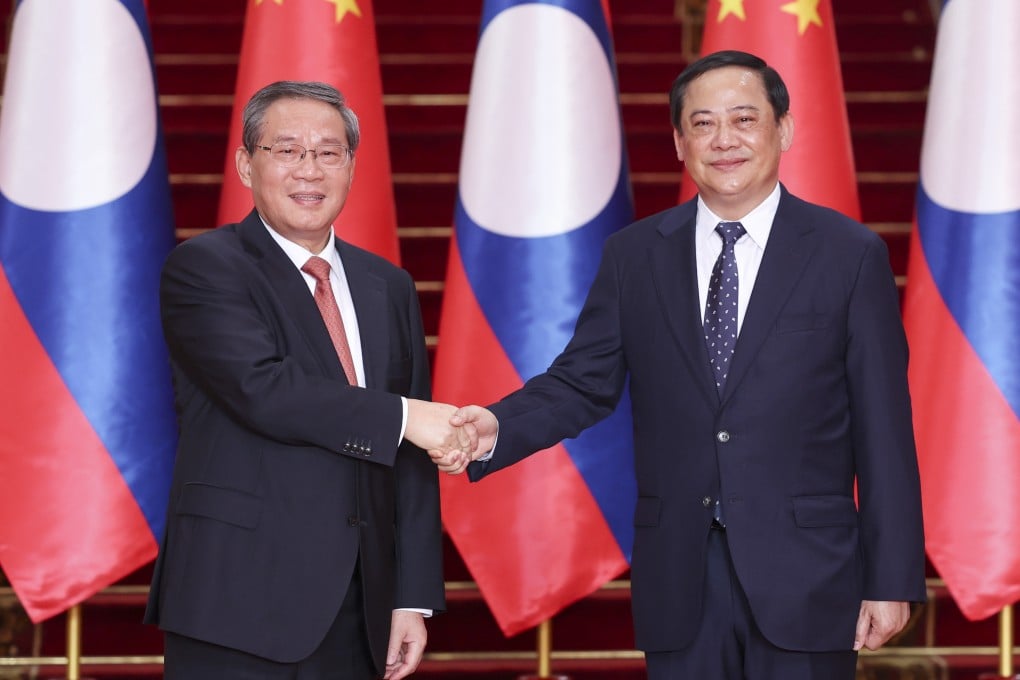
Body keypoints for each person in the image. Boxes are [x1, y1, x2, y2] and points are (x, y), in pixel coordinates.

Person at [438, 50, 926, 679]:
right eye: (702, 124)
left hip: (809, 576)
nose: (724, 140)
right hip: (681, 577)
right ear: (678, 142)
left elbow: (884, 431)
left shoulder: (849, 254)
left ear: (784, 129)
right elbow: (582, 383)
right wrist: (494, 427)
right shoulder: (635, 255)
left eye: (744, 119)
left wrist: (891, 578)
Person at [145, 81, 465, 680]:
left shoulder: (386, 285)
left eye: (328, 152)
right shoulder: (205, 268)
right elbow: (263, 390)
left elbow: (412, 460)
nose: (308, 170)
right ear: (246, 165)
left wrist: (410, 596)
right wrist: (405, 417)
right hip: (236, 598)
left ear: (350, 166)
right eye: (286, 150)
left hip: (360, 605)